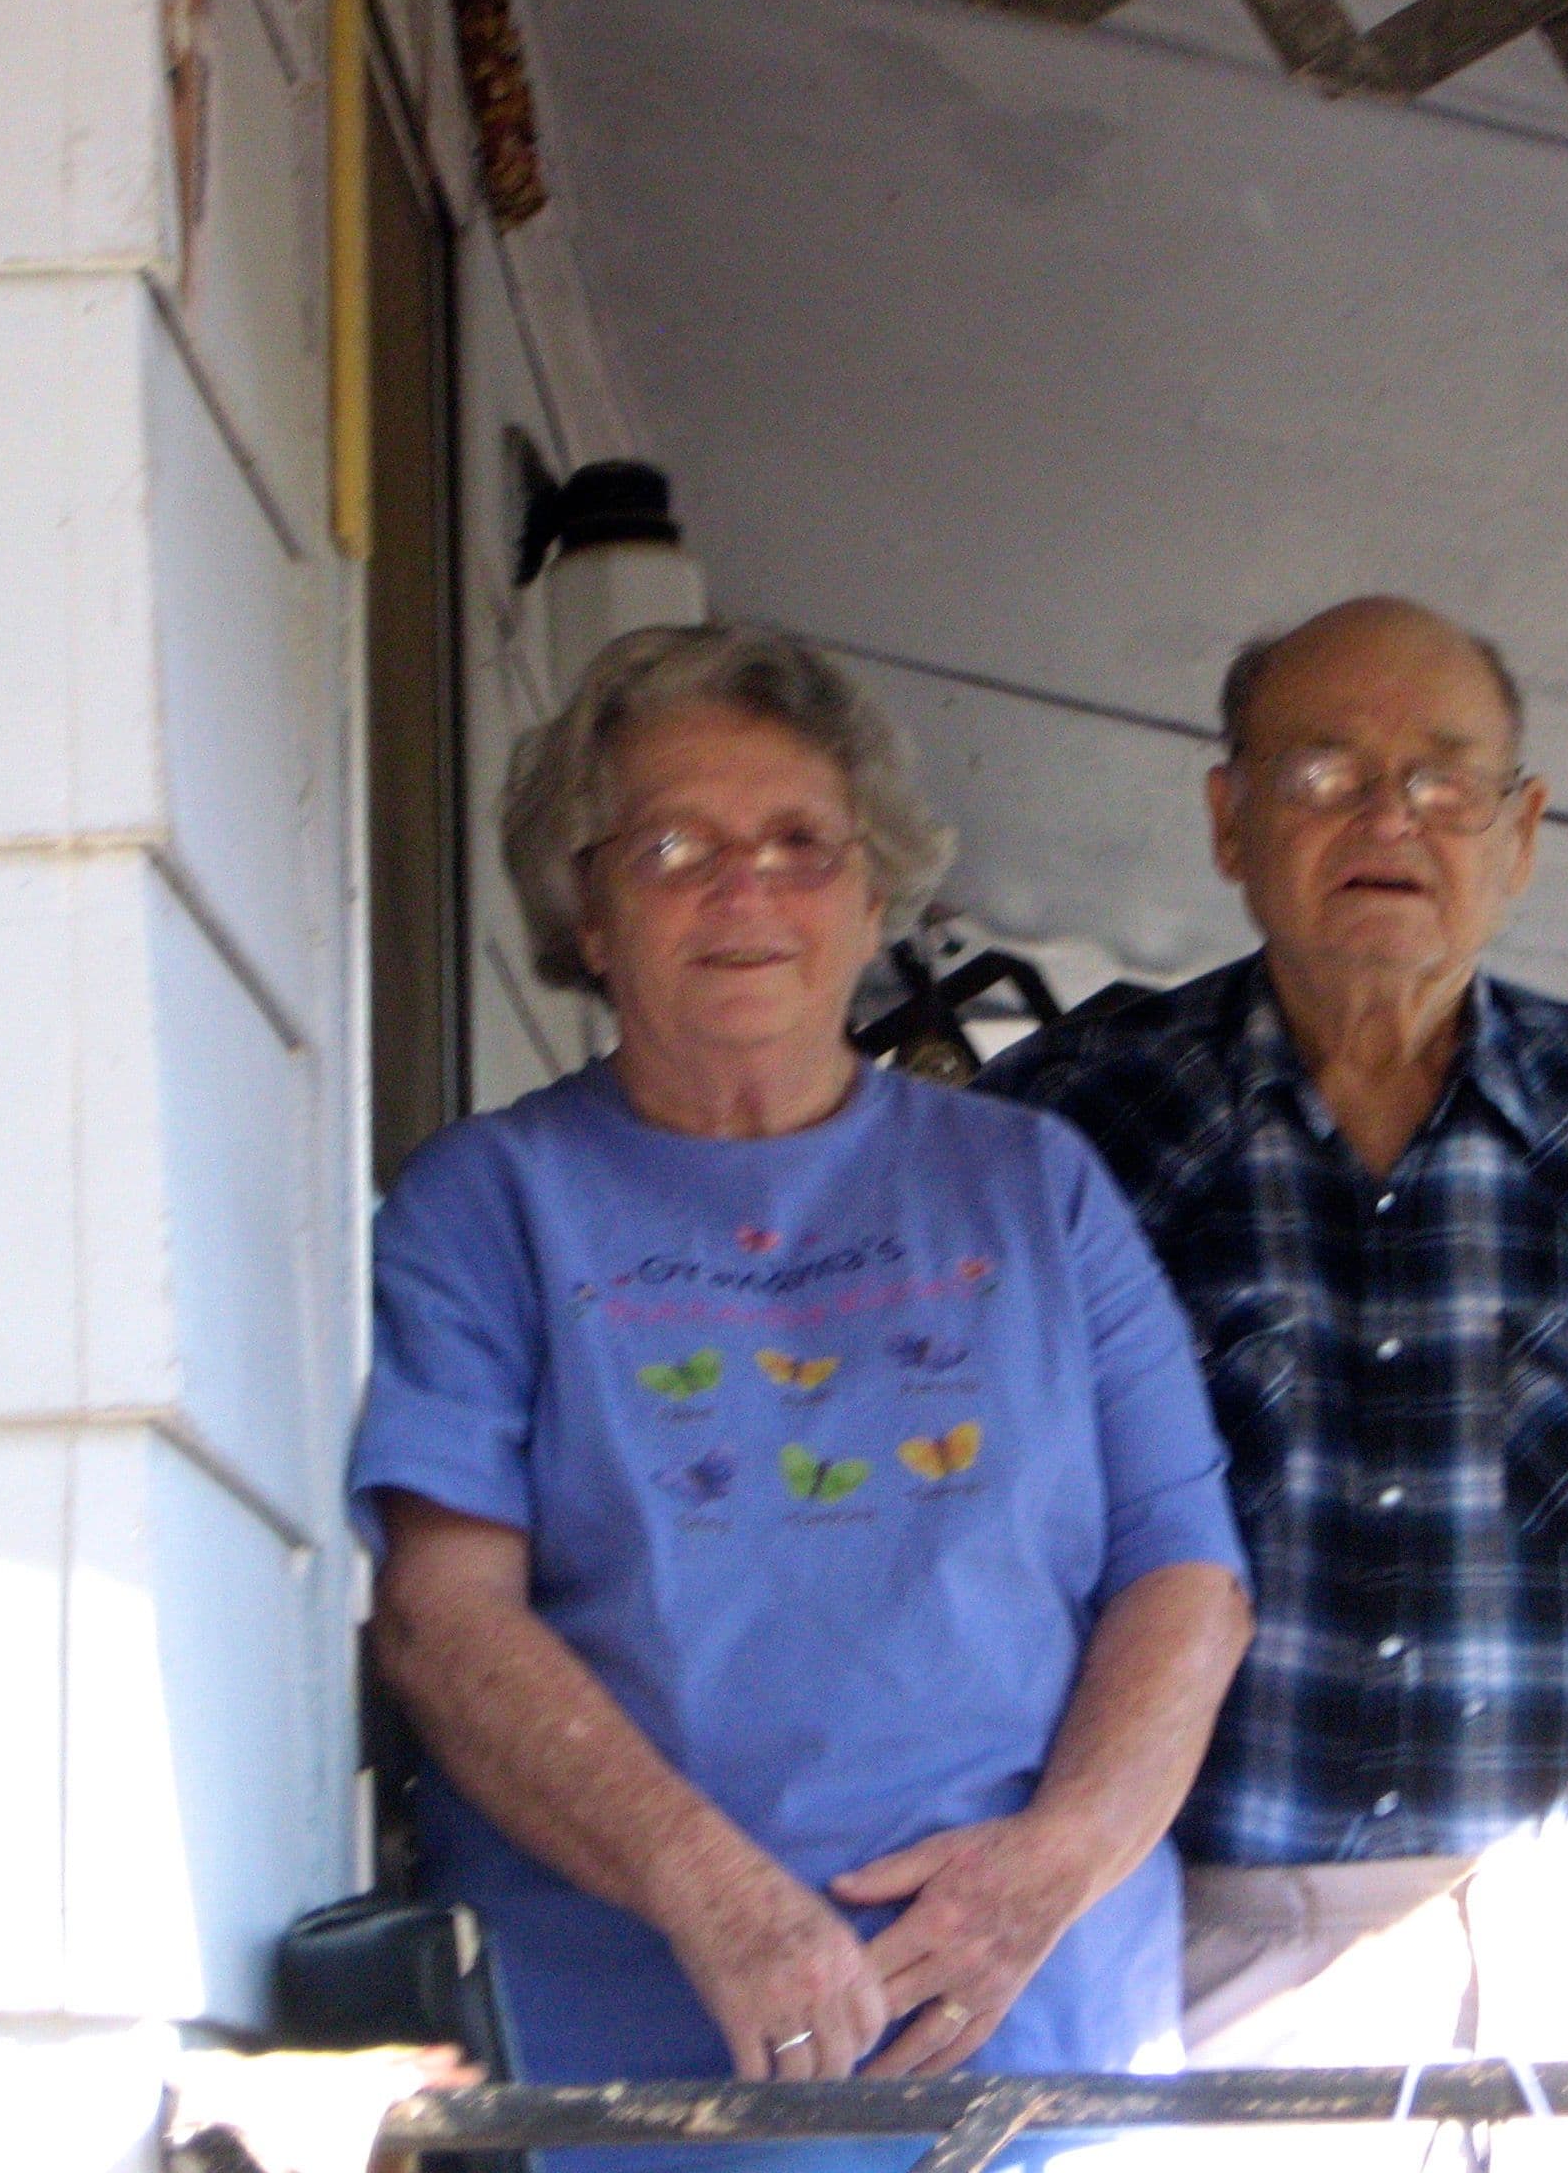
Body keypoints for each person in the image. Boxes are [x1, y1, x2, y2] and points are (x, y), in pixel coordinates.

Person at [984, 597, 1568, 2171]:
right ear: (1228, 819)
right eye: (1324, 771)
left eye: (1444, 780)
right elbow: (984, 1563)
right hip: (1219, 1970)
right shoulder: (1078, 1133)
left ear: (1521, 832)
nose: (1388, 819)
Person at [350, 623, 1254, 2173]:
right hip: (629, 2063)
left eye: (799, 846)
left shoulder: (1032, 1186)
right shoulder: (488, 1201)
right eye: (675, 845)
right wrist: (715, 1891)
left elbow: (1188, 1574)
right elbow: (443, 1617)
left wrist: (1052, 1867)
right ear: (584, 902)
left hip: (1028, 2033)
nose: (745, 893)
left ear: (873, 892)